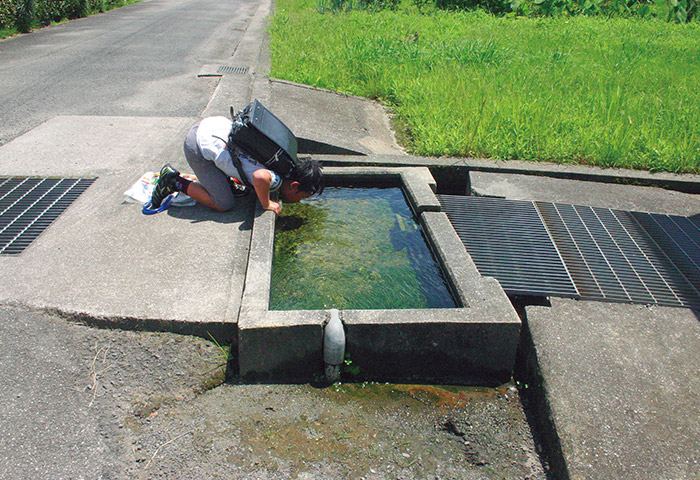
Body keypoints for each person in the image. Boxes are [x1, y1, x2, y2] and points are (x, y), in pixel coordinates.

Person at [149, 115, 324, 215]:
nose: (297, 201)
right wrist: (266, 203)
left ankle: (225, 183)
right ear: (294, 186)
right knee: (224, 203)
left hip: (215, 126)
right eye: (301, 197)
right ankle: (173, 181)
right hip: (197, 146)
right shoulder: (277, 179)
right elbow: (260, 176)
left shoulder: (284, 160)